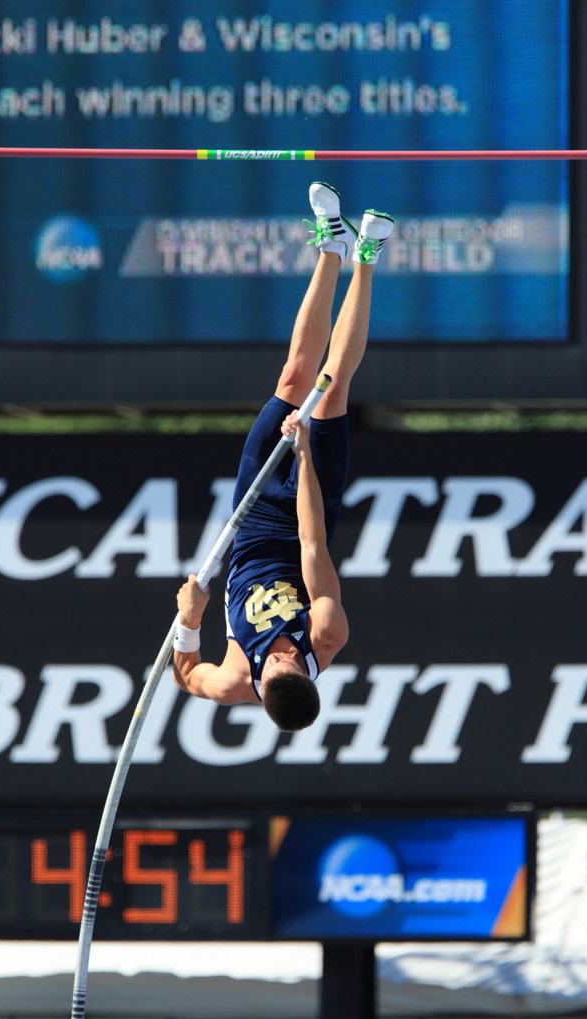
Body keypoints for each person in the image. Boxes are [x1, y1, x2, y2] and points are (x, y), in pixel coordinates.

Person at [173, 181, 394, 731]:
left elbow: (186, 676)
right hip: (303, 515)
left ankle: (331, 247)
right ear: (303, 669)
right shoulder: (325, 635)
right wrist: (302, 454)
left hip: (248, 523)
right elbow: (315, 543)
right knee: (331, 390)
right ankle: (365, 258)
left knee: (294, 379)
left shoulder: (233, 679)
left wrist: (190, 620)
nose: (276, 657)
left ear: (259, 688)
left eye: (268, 667)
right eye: (285, 662)